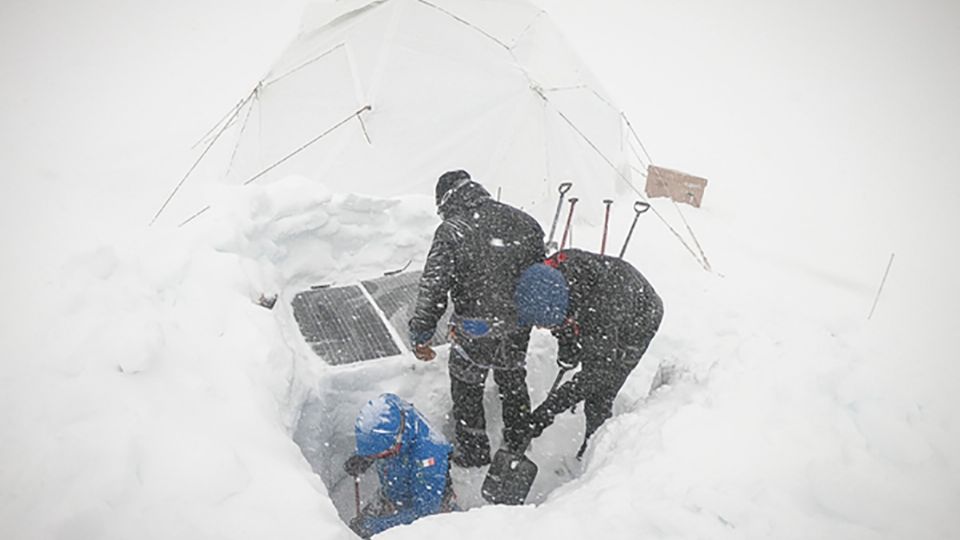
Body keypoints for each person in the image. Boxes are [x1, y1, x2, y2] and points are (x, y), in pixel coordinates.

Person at [408, 169, 546, 467]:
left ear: (446, 201)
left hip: (475, 328)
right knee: (512, 379)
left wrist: (421, 332)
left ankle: (473, 451)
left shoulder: (453, 230)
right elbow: (541, 280)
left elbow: (433, 288)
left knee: (467, 386)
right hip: (518, 325)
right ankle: (517, 443)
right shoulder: (525, 222)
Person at [511, 248, 664, 458]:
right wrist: (567, 343)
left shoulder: (600, 312)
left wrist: (546, 412)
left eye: (543, 324)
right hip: (604, 296)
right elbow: (563, 314)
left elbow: (595, 375)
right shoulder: (552, 272)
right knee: (594, 365)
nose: (538, 329)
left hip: (640, 316)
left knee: (602, 391)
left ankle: (594, 451)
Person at [343, 393, 455, 538]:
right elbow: (378, 430)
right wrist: (364, 455)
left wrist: (374, 527)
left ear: (398, 440)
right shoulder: (390, 410)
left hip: (425, 511)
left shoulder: (429, 456)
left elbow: (425, 516)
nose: (377, 458)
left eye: (382, 454)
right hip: (393, 490)